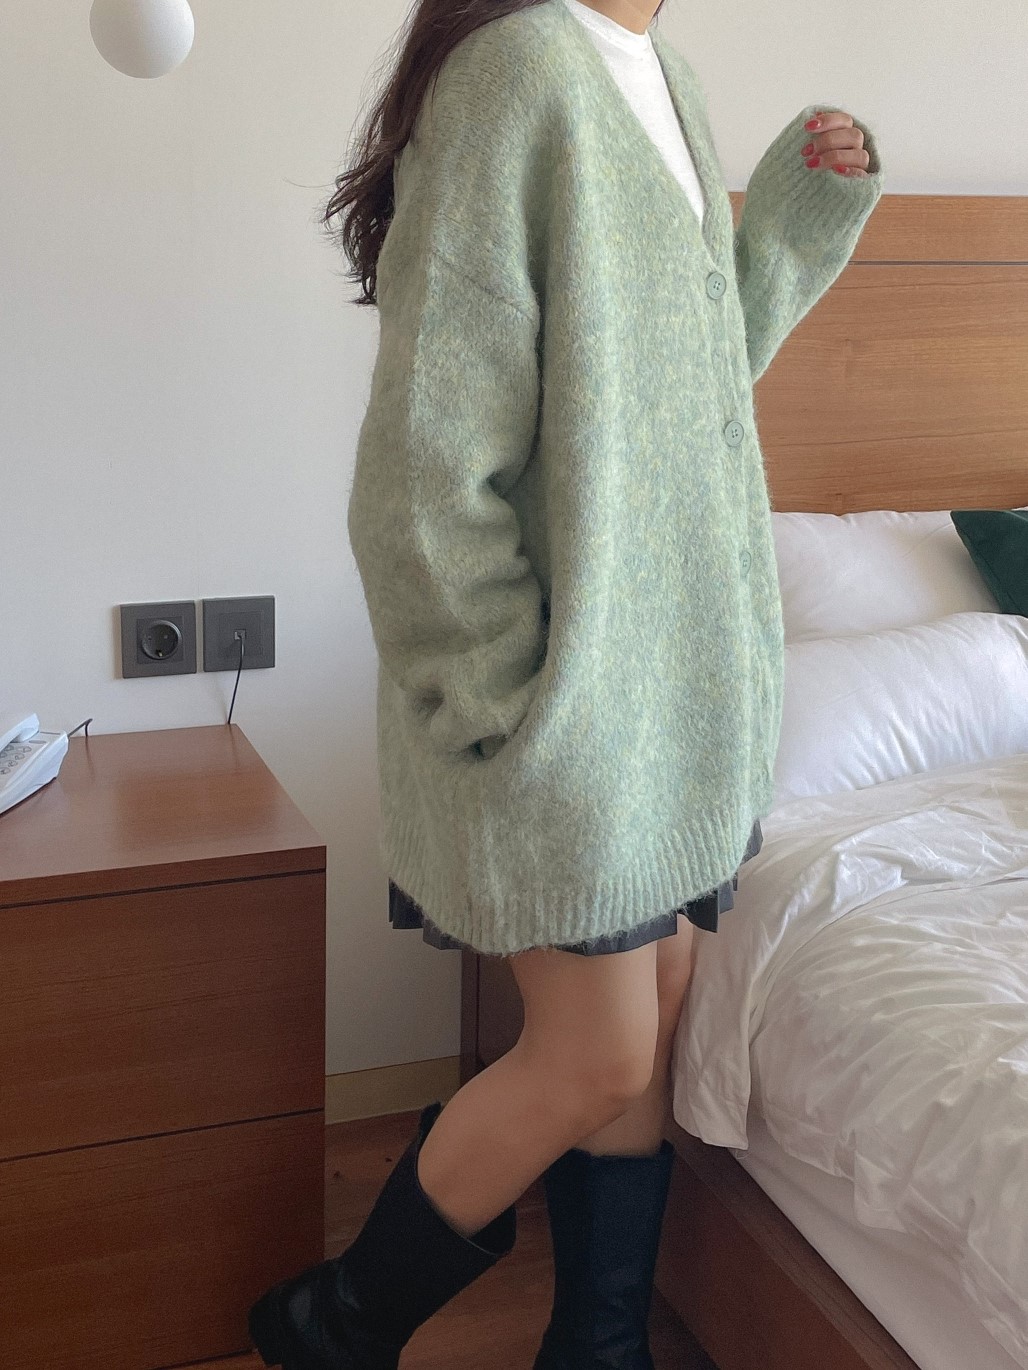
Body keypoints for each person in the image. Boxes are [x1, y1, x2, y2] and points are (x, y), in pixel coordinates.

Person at [248, 0, 884, 1366]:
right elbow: (422, 467)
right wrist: (497, 696)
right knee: (597, 1053)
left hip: (675, 707)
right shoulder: (519, 75)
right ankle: (335, 1324)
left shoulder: (665, 77)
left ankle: (597, 1348)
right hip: (566, 711)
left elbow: (681, 383)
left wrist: (794, 228)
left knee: (656, 1015)